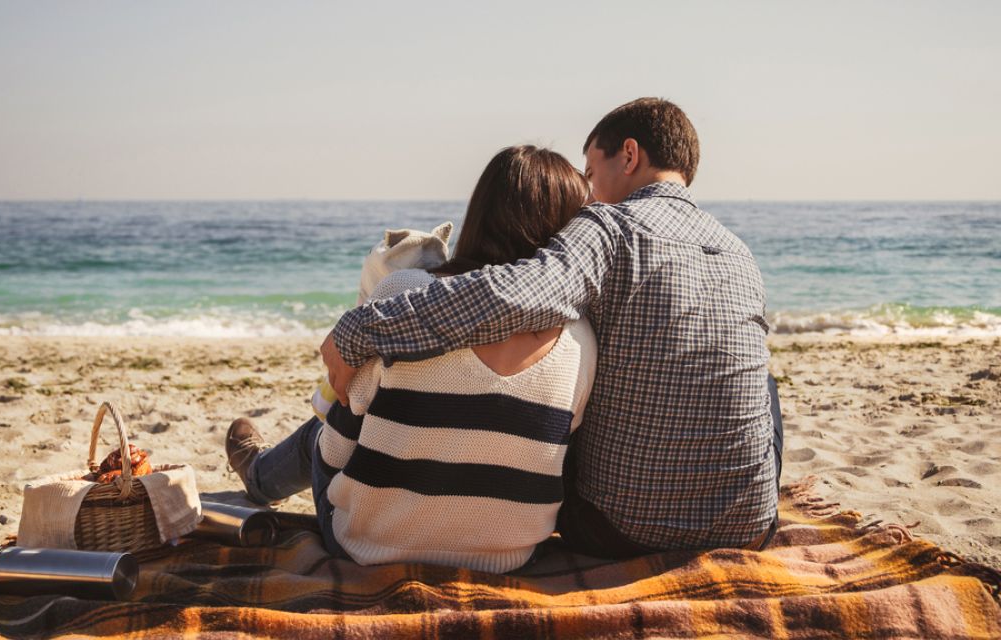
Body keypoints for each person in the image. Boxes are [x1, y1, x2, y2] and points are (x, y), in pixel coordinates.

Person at [321, 98, 785, 559]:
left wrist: (361, 329)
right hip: (748, 525)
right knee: (762, 381)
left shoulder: (609, 226)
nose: (589, 194)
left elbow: (516, 296)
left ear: (629, 155)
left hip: (617, 529)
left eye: (591, 173)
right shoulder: (738, 252)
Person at [226, 146, 596, 572]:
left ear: (482, 212)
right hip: (507, 556)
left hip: (370, 546)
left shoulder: (402, 296)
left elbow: (336, 449)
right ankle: (259, 473)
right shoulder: (582, 338)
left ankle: (259, 477)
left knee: (325, 426)